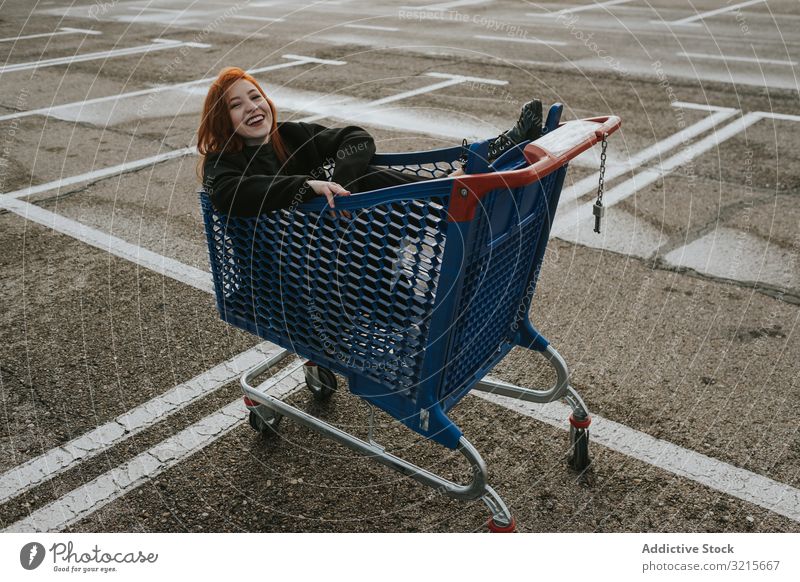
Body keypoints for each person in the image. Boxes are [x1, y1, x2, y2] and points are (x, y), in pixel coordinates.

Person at [197, 67, 542, 217]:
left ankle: (469, 177)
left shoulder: (290, 136)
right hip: (282, 268)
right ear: (221, 119)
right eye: (236, 105)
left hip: (331, 250)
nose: (252, 108)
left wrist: (341, 185)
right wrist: (309, 185)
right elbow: (230, 194)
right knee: (363, 184)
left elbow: (356, 138)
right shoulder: (221, 162)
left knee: (362, 174)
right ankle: (454, 190)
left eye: (255, 97)